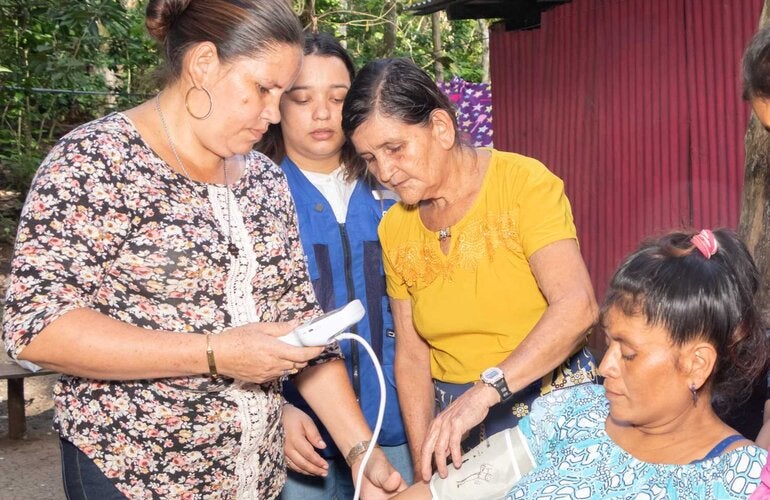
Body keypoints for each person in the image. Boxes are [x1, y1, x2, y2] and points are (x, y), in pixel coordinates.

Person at [1, 1, 406, 497]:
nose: (273, 113)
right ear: (203, 64)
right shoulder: (96, 161)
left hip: (253, 477)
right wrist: (214, 353)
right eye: (262, 89)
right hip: (133, 474)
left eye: (280, 94)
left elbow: (301, 329)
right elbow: (36, 329)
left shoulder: (262, 179)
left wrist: (361, 453)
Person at [341, 57, 599, 481]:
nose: (384, 171)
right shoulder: (396, 228)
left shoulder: (523, 185)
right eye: (370, 157)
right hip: (458, 424)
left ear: (441, 128)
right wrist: (427, 455)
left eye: (395, 148)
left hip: (552, 406)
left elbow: (577, 306)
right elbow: (411, 354)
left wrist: (486, 393)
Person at [397, 228, 769, 499]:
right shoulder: (574, 414)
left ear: (697, 364)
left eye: (628, 353)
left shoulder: (741, 482)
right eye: (607, 343)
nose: (605, 366)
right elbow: (440, 495)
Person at [256, 31, 413, 498]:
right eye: (302, 98)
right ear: (275, 105)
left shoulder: (395, 187)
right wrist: (275, 413)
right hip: (302, 434)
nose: (322, 114)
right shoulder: (253, 194)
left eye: (338, 98)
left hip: (398, 423)